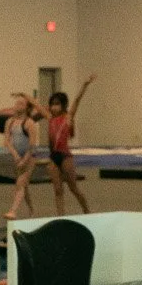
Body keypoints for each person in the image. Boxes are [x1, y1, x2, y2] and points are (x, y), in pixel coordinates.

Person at [45, 76, 95, 214]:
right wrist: (25, 96)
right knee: (57, 190)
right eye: (52, 104)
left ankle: (87, 211)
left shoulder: (68, 117)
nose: (54, 107)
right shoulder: (50, 118)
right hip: (53, 157)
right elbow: (36, 105)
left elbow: (77, 101)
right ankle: (60, 216)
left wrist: (84, 85)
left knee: (73, 188)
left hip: (65, 156)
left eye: (57, 104)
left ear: (63, 105)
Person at [2, 92, 39, 221]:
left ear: (27, 107)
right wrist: (16, 156)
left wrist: (24, 159)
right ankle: (32, 210)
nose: (17, 105)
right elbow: (6, 141)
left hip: (30, 157)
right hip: (17, 157)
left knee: (20, 183)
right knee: (24, 186)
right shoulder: (9, 122)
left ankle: (13, 211)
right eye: (16, 102)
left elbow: (32, 146)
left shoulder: (29, 123)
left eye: (21, 103)